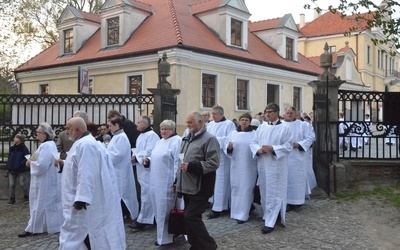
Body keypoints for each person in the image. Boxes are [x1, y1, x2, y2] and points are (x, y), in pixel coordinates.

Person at [58, 117, 126, 250]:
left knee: (80, 233)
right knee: (79, 235)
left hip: (83, 203)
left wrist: (82, 198)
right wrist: (63, 164)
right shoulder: (83, 143)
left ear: (77, 130)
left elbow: (87, 172)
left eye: (68, 128)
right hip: (77, 198)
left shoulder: (87, 145)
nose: (66, 132)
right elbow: (78, 166)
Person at [176, 111, 219, 250]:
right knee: (191, 218)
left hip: (200, 186)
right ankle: (196, 245)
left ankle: (209, 245)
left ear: (200, 122)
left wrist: (193, 166)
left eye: (190, 122)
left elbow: (214, 163)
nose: (187, 125)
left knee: (191, 217)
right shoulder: (187, 138)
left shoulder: (209, 139)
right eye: (187, 122)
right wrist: (177, 181)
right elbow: (181, 159)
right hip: (187, 185)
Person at [250, 103, 293, 234]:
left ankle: (271, 221)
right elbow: (253, 142)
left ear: (277, 113)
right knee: (264, 190)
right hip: (263, 164)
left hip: (277, 165)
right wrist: (258, 150)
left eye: (270, 112)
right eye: (266, 112)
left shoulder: (285, 128)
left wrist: (273, 148)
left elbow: (288, 146)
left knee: (274, 192)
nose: (267, 114)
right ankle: (267, 215)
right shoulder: (261, 127)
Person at [18, 123, 63, 238]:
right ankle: (45, 226)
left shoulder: (47, 146)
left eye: (38, 132)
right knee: (45, 203)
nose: (36, 134)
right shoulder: (46, 145)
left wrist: (31, 163)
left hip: (44, 181)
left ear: (45, 134)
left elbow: (42, 165)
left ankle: (34, 227)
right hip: (45, 180)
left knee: (40, 202)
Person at [149, 120, 182, 246]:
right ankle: (162, 235)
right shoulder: (159, 142)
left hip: (167, 182)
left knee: (166, 210)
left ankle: (166, 238)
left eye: (166, 129)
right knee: (158, 209)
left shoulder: (177, 141)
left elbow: (179, 161)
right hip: (156, 181)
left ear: (172, 130)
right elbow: (156, 157)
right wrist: (148, 160)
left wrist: (176, 180)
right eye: (162, 129)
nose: (163, 131)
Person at [225, 113, 257, 224]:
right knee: (236, 187)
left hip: (249, 166)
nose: (244, 122)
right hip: (236, 165)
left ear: (250, 122)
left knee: (246, 189)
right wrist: (229, 148)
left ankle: (244, 214)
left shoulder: (254, 134)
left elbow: (256, 147)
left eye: (246, 120)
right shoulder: (233, 133)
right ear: (239, 121)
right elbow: (228, 149)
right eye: (242, 119)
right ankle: (235, 212)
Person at [129, 115, 160, 230]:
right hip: (141, 170)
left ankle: (143, 220)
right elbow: (138, 150)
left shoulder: (152, 136)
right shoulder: (141, 136)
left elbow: (150, 151)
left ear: (145, 124)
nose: (137, 124)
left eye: (139, 122)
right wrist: (134, 155)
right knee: (145, 194)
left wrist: (137, 157)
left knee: (147, 195)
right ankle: (151, 218)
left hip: (148, 170)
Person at [206, 105, 236, 218]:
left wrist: (214, 140)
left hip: (222, 158)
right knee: (213, 181)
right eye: (212, 114)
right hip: (211, 157)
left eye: (214, 114)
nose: (212, 116)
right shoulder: (210, 124)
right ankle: (214, 203)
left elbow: (230, 139)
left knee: (221, 183)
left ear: (221, 114)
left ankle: (219, 208)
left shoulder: (229, 124)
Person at [283, 107, 315, 211]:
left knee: (297, 179)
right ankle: (286, 201)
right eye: (287, 113)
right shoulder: (281, 125)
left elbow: (311, 137)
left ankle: (297, 201)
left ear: (295, 113)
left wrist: (299, 144)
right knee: (285, 179)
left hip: (297, 157)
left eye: (291, 113)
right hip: (284, 157)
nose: (289, 115)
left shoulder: (303, 125)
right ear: (284, 114)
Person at [107, 116, 139, 221]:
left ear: (117, 125)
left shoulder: (121, 137)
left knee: (123, 192)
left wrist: (105, 155)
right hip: (116, 170)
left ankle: (125, 212)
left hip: (120, 170)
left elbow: (118, 155)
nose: (109, 128)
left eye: (110, 126)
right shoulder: (116, 136)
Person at [6, 134, 30, 205]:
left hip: (20, 169)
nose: (14, 139)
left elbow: (27, 157)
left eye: (16, 138)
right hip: (12, 169)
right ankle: (12, 199)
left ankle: (26, 197)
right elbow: (10, 157)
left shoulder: (24, 148)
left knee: (23, 183)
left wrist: (21, 164)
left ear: (20, 139)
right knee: (11, 184)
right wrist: (8, 164)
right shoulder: (12, 148)